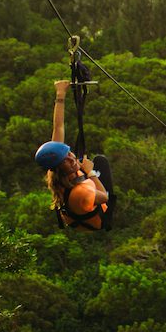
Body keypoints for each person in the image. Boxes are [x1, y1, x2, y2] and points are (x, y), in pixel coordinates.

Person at [34, 80, 115, 231]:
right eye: (66, 159)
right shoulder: (81, 193)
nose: (71, 158)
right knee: (100, 161)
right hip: (98, 220)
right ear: (59, 167)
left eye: (68, 153)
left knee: (86, 161)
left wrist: (60, 94)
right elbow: (104, 197)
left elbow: (58, 127)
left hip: (80, 201)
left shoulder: (55, 167)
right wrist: (90, 173)